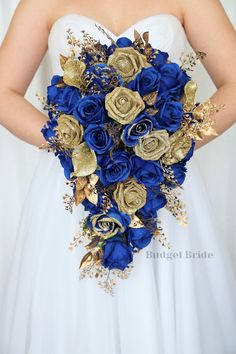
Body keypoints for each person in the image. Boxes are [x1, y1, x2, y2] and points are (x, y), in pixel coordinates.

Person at [0, 0, 236, 353]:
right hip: (76, 185)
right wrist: (73, 143)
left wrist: (167, 144)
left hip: (158, 181)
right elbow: (4, 92)